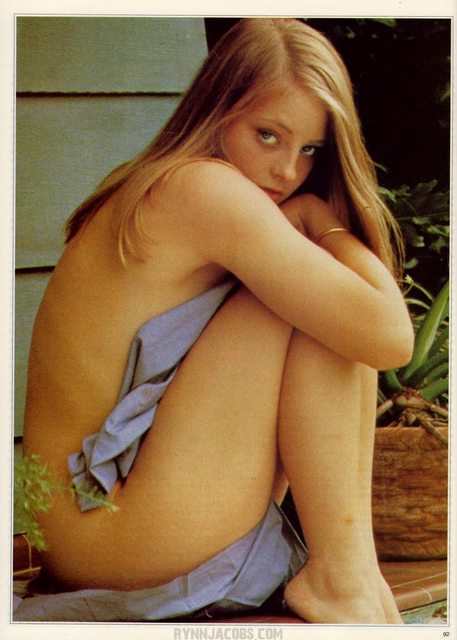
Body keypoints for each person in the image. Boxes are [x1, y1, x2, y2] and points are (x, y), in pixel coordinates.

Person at [19, 18, 414, 624]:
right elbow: (390, 336)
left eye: (309, 150)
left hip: (93, 532)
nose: (287, 171)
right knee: (329, 314)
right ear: (218, 110)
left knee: (331, 307)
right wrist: (318, 217)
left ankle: (348, 574)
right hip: (105, 534)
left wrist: (309, 221)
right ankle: (342, 577)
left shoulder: (174, 182)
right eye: (267, 135)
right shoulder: (202, 189)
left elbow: (373, 328)